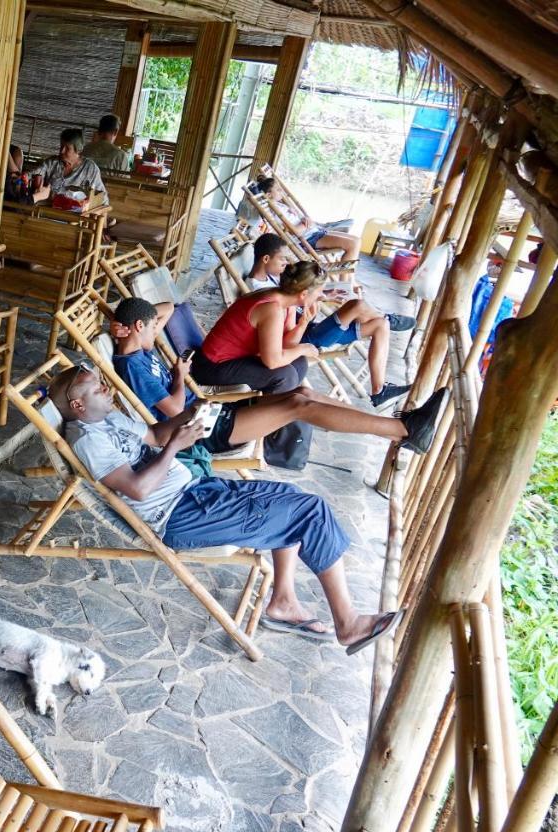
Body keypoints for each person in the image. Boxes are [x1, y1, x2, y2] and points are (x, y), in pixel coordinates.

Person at [49, 362, 403, 650]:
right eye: (98, 388)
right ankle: (349, 625)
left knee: (288, 500)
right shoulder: (87, 440)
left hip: (197, 492)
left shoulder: (108, 418)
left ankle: (283, 602)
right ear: (78, 406)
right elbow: (138, 490)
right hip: (180, 516)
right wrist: (176, 447)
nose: (107, 389)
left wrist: (190, 413)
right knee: (309, 512)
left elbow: (155, 436)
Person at [109, 296, 445, 456]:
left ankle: (401, 428)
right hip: (195, 431)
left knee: (304, 394)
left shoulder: (139, 347)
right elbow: (172, 410)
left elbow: (168, 307)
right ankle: (403, 431)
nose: (159, 327)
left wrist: (126, 324)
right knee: (299, 405)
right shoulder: (133, 365)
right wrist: (180, 376)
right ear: (140, 327)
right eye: (153, 326)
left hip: (207, 413)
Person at [246, 233, 415, 406]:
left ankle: (379, 390)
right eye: (282, 259)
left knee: (381, 325)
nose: (285, 264)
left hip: (311, 328)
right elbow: (283, 314)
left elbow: (296, 296)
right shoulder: (257, 288)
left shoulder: (272, 277)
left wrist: (324, 295)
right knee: (356, 305)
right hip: (304, 337)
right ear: (266, 259)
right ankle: (386, 316)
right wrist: (314, 300)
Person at [192, 259, 327, 395]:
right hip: (210, 367)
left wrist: (303, 324)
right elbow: (273, 362)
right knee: (285, 375)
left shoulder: (286, 301)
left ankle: (283, 406)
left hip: (235, 360)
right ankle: (262, 413)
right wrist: (303, 348)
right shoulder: (271, 308)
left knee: (299, 362)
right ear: (303, 294)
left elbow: (286, 346)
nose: (322, 296)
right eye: (320, 291)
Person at [255, 176, 360, 272]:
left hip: (314, 231)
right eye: (278, 190)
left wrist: (305, 219)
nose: (281, 191)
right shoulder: (275, 211)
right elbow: (294, 232)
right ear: (268, 195)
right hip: (308, 238)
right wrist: (306, 224)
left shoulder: (279, 205)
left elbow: (297, 219)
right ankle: (346, 283)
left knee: (357, 240)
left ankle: (349, 282)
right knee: (353, 244)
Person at [26, 128, 106, 203]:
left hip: (74, 213)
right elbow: (35, 172)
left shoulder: (90, 168)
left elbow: (101, 196)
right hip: (48, 208)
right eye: (61, 146)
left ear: (78, 150)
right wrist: (26, 177)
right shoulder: (53, 162)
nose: (62, 151)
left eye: (67, 148)